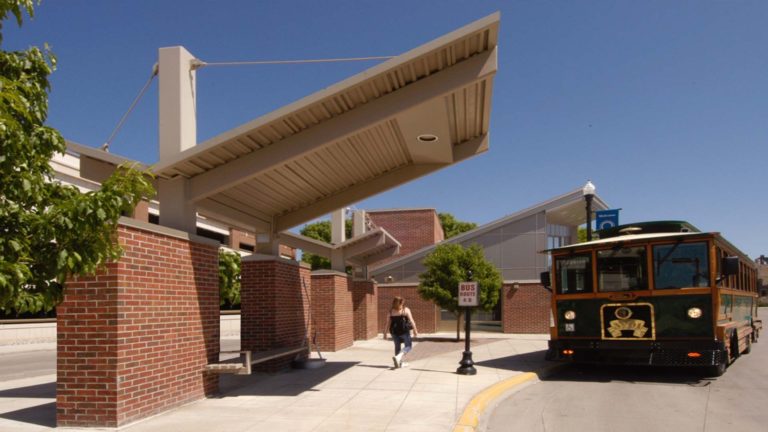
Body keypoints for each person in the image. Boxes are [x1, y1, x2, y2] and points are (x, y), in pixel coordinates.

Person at [384, 296, 418, 368]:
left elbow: (387, 323)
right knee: (408, 346)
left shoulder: (391, 311)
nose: (403, 304)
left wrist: (385, 333)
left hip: (394, 331)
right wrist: (415, 330)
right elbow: (411, 320)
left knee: (397, 347)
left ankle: (399, 363)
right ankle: (398, 358)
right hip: (404, 331)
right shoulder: (405, 310)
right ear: (400, 303)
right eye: (402, 303)